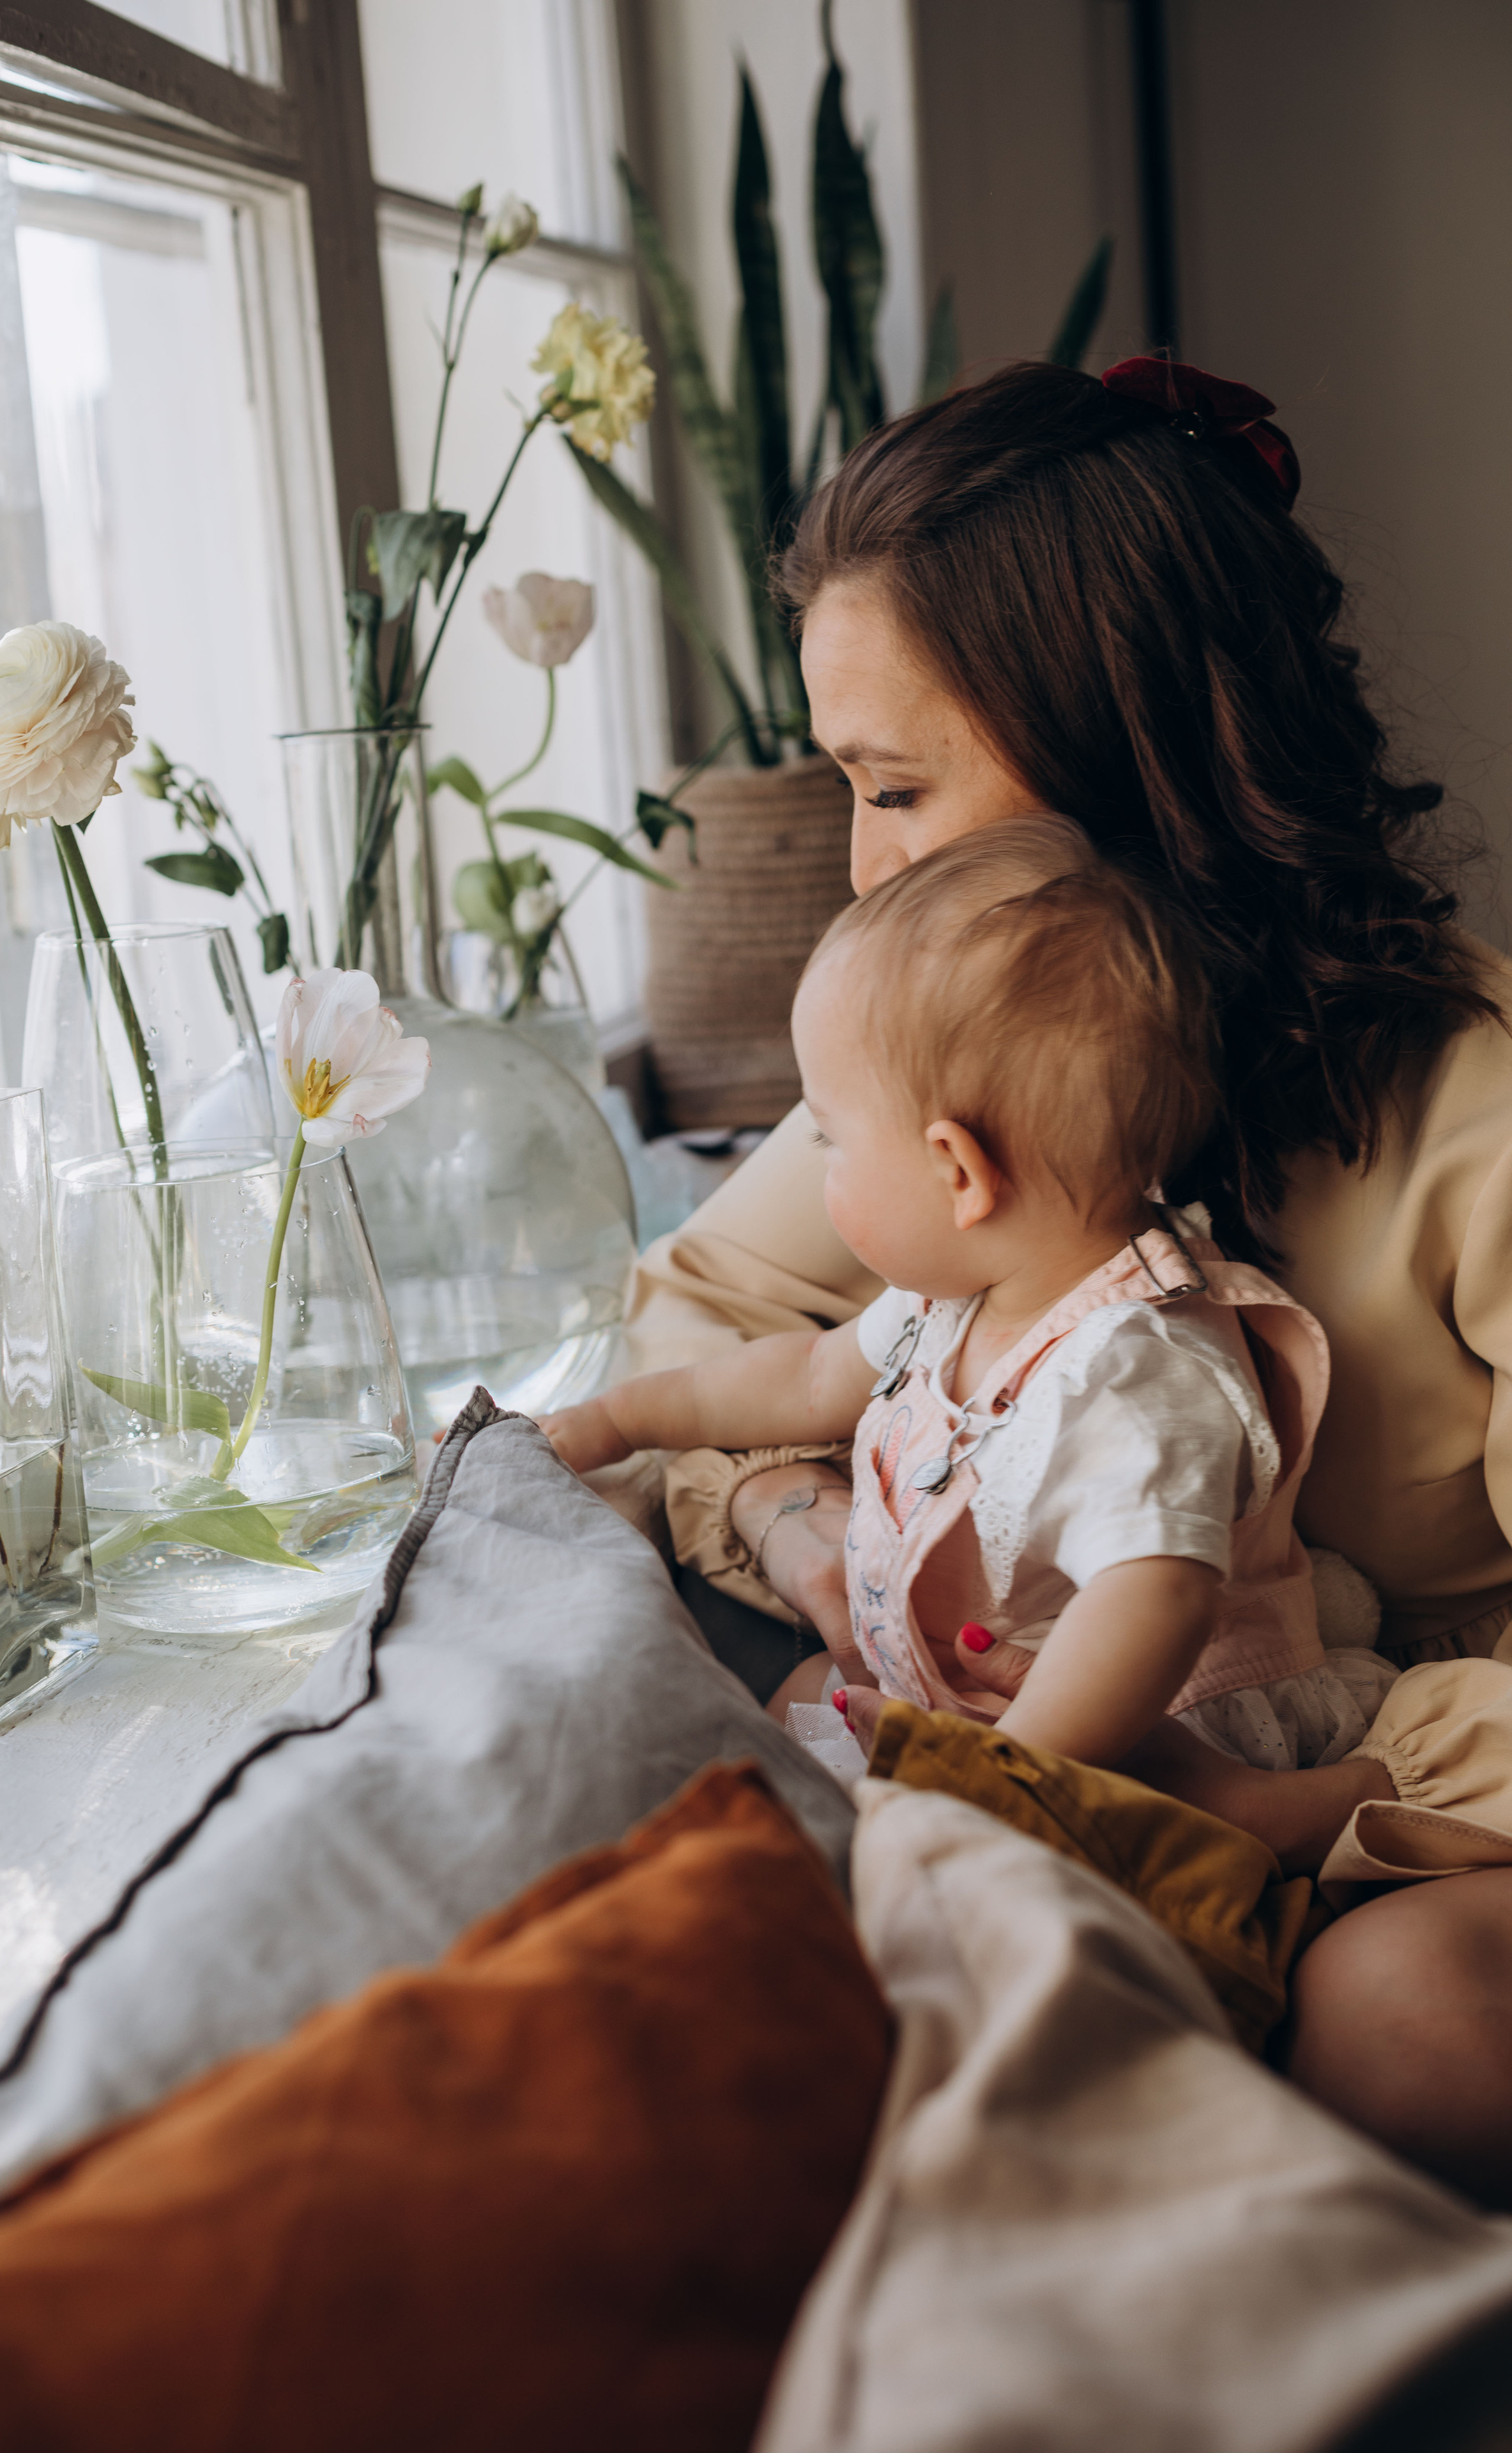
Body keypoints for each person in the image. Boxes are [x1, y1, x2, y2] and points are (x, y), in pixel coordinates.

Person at [619, 358, 1512, 2205]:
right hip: (1101, 1789)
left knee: (1414, 2025)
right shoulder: (956, 1057)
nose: (862, 876)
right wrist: (805, 1532)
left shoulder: (1475, 1115)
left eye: (892, 788)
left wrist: (1304, 1798)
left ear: (1129, 758)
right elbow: (693, 1319)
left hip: (1416, 1800)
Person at [549, 820, 1399, 1788]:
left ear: (958, 1171)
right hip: (954, 1686)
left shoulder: (1134, 1372)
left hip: (1130, 1735)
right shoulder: (949, 1297)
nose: (817, 1164)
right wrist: (621, 1418)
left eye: (830, 1139)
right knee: (785, 1709)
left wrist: (1005, 1771)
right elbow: (811, 1375)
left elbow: (1155, 1601)